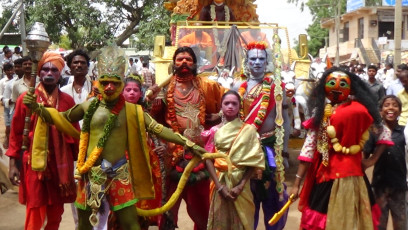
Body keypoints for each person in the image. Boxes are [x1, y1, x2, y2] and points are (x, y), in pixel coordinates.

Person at [23, 46, 207, 230]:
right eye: (105, 83)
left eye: (115, 83)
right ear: (99, 84)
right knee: (85, 225)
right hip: (91, 174)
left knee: (130, 223)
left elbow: (157, 128)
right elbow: (61, 118)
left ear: (121, 85)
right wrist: (38, 109)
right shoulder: (89, 106)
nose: (109, 87)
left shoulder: (132, 110)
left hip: (120, 174)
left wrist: (187, 142)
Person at [290, 68, 393, 230]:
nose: (336, 87)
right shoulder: (321, 113)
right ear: (324, 87)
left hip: (349, 176)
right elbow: (308, 150)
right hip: (326, 174)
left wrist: (371, 160)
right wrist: (296, 183)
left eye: (342, 83)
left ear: (351, 88)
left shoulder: (359, 111)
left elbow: (383, 132)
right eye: (331, 83)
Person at [147, 46, 225, 230]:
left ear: (195, 64)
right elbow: (149, 119)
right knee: (167, 209)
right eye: (180, 59)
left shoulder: (207, 86)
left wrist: (219, 116)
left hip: (199, 154)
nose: (183, 62)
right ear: (173, 63)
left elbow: (232, 102)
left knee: (202, 208)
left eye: (188, 59)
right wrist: (151, 98)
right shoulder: (164, 89)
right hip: (171, 156)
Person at [6, 52, 80, 230]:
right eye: (45, 69)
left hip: (60, 166)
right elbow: (15, 134)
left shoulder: (67, 101)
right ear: (38, 72)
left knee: (56, 212)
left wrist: (81, 164)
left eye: (54, 70)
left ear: (60, 74)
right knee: (35, 209)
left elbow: (75, 133)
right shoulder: (26, 99)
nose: (49, 73)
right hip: (33, 164)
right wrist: (12, 164)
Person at [237, 41, 290, 230]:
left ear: (267, 61)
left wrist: (283, 153)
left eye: (261, 59)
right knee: (247, 197)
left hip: (271, 148)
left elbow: (286, 120)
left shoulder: (277, 87)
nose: (257, 62)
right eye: (253, 59)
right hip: (245, 149)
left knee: (273, 196)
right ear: (247, 61)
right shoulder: (238, 88)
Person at [204, 90, 265, 230]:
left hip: (241, 185)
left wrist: (240, 185)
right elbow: (207, 159)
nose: (230, 106)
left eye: (234, 103)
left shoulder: (249, 131)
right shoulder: (214, 131)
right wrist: (220, 187)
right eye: (226, 103)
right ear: (221, 106)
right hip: (219, 182)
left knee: (241, 222)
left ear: (239, 107)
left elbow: (254, 161)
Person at [364, 95, 406, 230]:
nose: (391, 108)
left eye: (395, 105)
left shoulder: (404, 132)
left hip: (399, 186)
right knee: (378, 223)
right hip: (379, 185)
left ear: (400, 111)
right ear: (380, 111)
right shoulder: (374, 132)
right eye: (387, 105)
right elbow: (364, 158)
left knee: (401, 222)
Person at [0, 63, 15, 149]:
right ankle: (7, 138)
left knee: (14, 125)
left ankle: (12, 142)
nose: (10, 72)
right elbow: (0, 94)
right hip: (7, 106)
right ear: (4, 71)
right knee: (8, 125)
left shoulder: (16, 80)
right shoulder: (2, 82)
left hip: (15, 106)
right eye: (8, 70)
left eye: (11, 70)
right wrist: (7, 101)